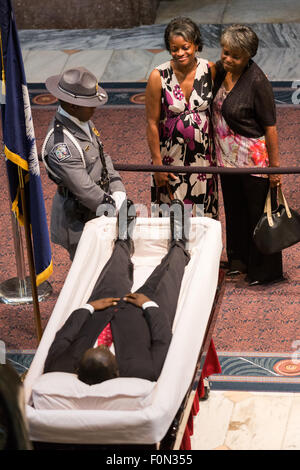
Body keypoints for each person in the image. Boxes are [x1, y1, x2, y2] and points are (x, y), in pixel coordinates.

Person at [44, 199, 190, 383]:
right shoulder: (144, 371)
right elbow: (163, 339)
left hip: (101, 309)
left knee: (114, 272)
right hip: (143, 316)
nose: (102, 347)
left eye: (96, 349)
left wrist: (89, 307)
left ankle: (123, 242)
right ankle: (179, 244)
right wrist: (149, 306)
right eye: (105, 352)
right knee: (166, 278)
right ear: (116, 373)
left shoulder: (58, 366)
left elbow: (64, 335)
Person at [212, 24, 284, 285]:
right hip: (226, 160)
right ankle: (237, 260)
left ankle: (264, 271)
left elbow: (271, 127)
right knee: (234, 211)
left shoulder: (257, 81)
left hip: (253, 161)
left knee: (257, 215)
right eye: (225, 52)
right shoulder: (221, 71)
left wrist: (274, 169)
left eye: (234, 56)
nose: (227, 58)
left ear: (248, 57)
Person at [41, 66, 126, 260]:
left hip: (100, 210)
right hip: (79, 220)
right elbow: (84, 190)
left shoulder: (82, 119)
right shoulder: (60, 144)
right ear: (73, 105)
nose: (95, 107)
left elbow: (104, 157)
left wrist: (118, 188)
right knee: (87, 277)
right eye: (90, 103)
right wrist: (114, 207)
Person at [145, 16, 218, 218]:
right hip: (171, 161)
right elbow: (151, 123)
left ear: (195, 44)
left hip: (203, 162)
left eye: (185, 47)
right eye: (174, 49)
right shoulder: (158, 76)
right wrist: (157, 165)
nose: (180, 53)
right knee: (172, 220)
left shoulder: (209, 70)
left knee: (203, 218)